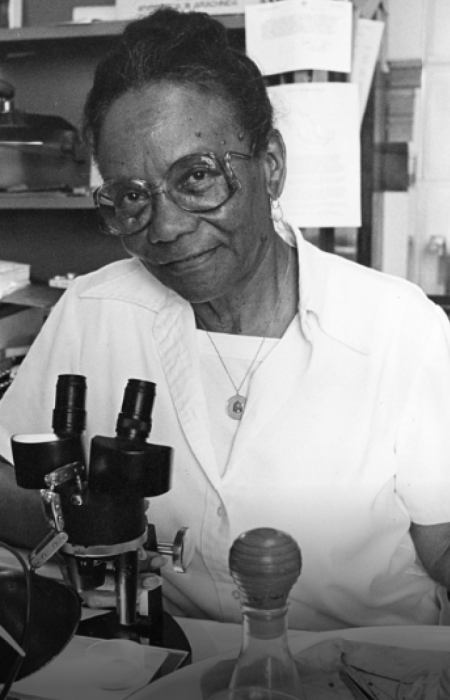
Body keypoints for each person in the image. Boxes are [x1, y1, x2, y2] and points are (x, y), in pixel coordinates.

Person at [1, 7, 450, 631]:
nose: (166, 228)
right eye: (131, 195)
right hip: (169, 667)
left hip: (366, 670)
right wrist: (79, 518)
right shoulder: (95, 312)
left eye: (198, 176)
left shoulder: (401, 329)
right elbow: (6, 479)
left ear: (270, 166)